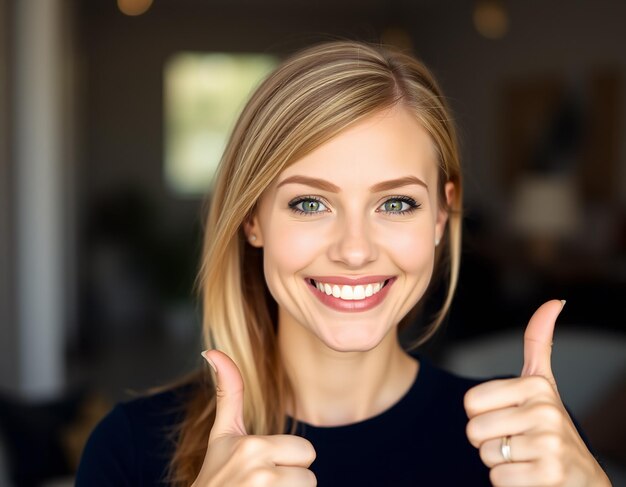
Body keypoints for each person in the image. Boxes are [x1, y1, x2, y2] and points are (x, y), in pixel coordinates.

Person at [76, 40, 611, 486]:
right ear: (252, 219)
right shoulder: (129, 450)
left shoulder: (530, 445)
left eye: (395, 203)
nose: (355, 250)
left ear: (442, 215)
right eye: (310, 203)